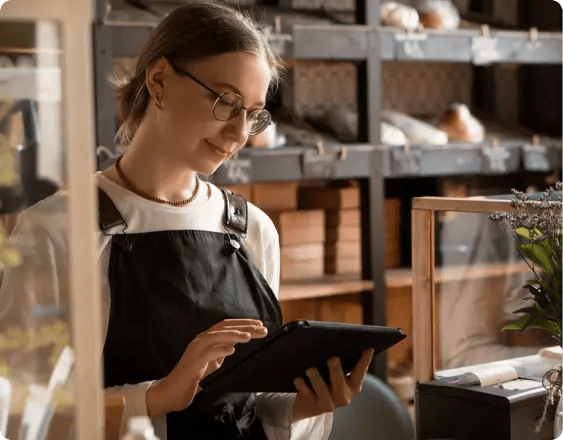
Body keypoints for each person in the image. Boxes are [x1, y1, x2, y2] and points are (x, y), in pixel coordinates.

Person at [0, 2, 374, 439]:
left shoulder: (254, 229)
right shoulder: (55, 230)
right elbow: (20, 409)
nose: (238, 134)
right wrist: (158, 396)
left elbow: (253, 406)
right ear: (159, 81)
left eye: (252, 114)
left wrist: (298, 407)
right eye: (225, 102)